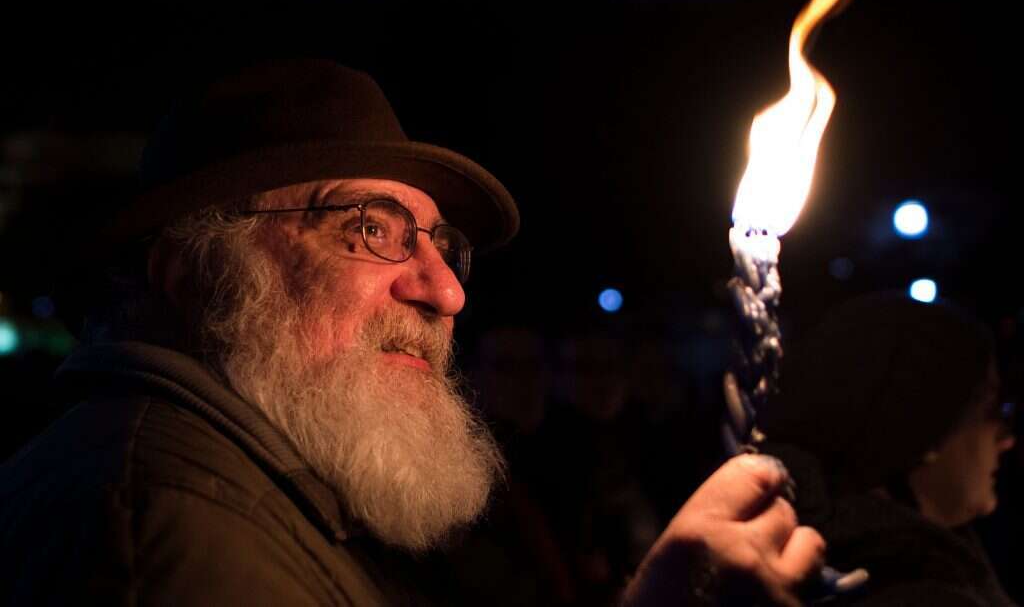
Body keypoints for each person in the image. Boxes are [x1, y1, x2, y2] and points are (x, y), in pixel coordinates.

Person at [0, 59, 824, 605]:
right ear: (197, 276)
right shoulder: (168, 527)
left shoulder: (262, 485)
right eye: (367, 228)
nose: (445, 290)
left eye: (440, 243)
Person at [762, 292, 1018, 606]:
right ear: (929, 427)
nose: (1006, 439)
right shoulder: (915, 593)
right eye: (990, 410)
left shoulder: (936, 560)